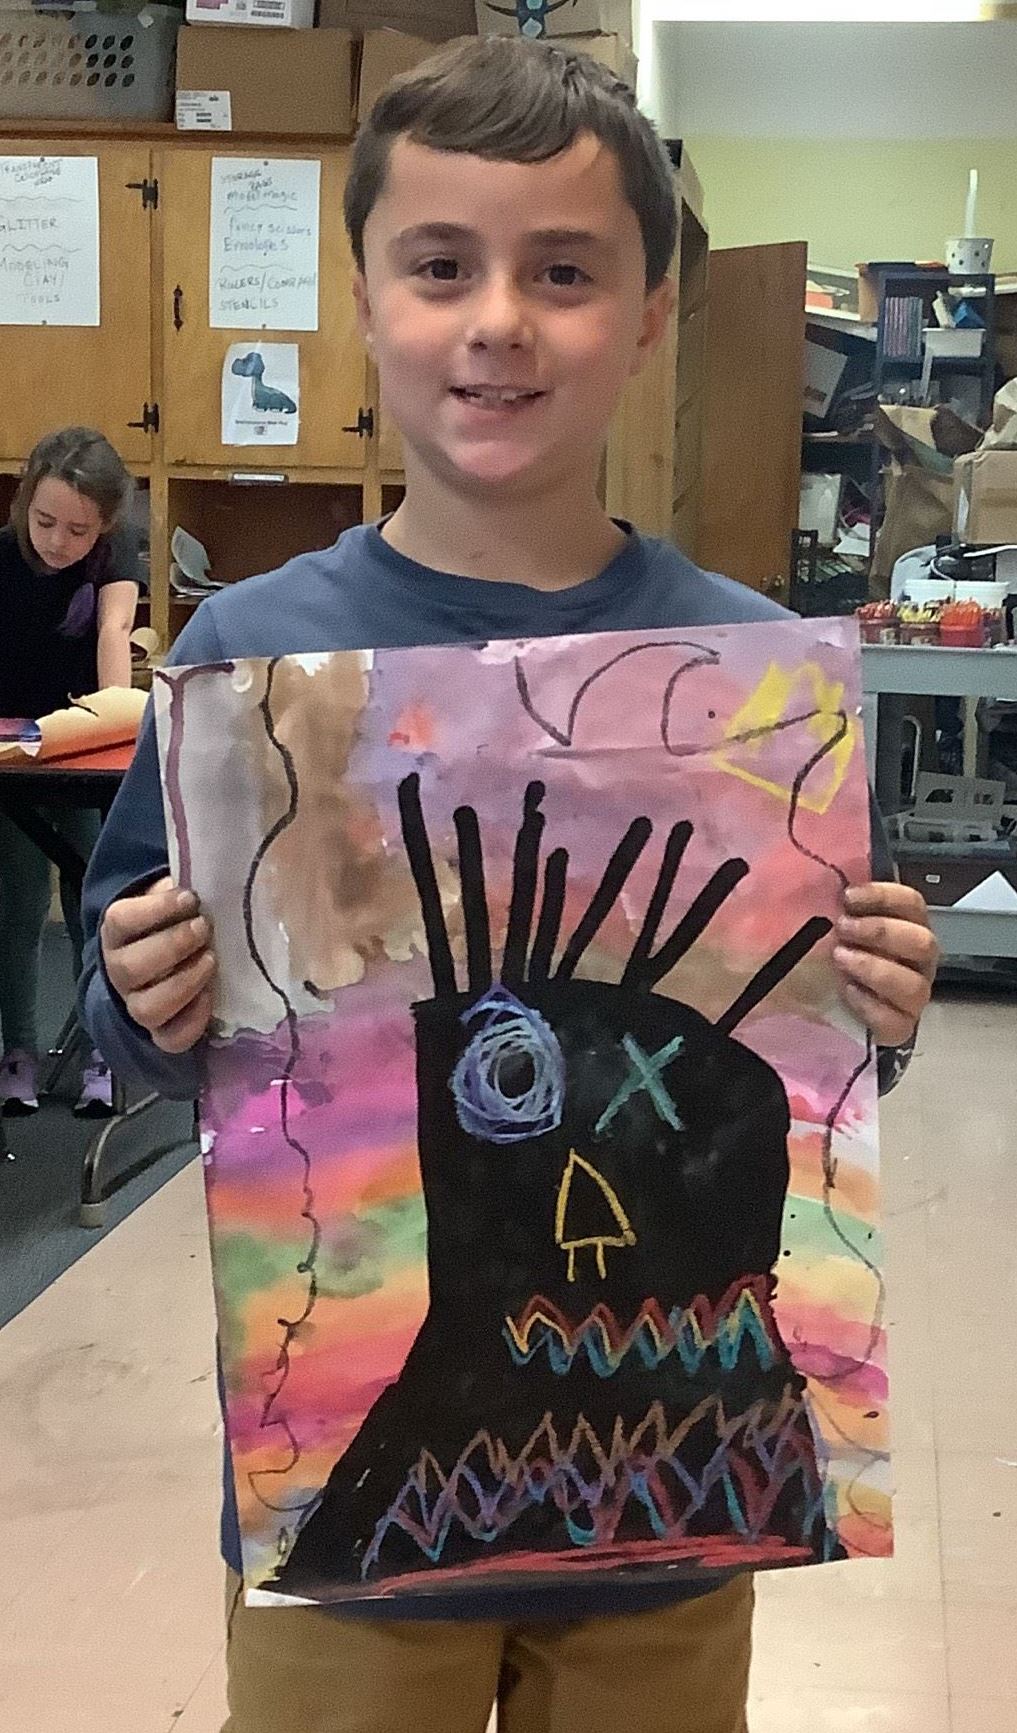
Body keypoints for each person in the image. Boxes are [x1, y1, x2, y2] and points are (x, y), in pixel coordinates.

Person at [79, 37, 939, 1733]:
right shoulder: (252, 661)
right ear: (365, 301)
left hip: (668, 1526)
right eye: (440, 266)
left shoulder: (753, 682)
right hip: (357, 1516)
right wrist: (142, 989)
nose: (498, 322)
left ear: (650, 314)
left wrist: (884, 1003)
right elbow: (162, 1027)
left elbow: (819, 1038)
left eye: (562, 272)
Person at [0, 426, 142, 1118]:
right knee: (18, 906)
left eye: (78, 530)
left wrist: (115, 732)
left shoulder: (115, 555)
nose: (58, 541)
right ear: (25, 503)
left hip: (79, 741)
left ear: (105, 525)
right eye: (45, 521)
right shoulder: (4, 557)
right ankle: (19, 1052)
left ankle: (99, 1052)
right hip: (12, 752)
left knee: (94, 899)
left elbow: (115, 633)